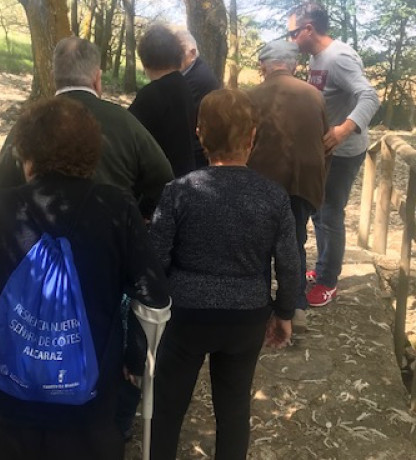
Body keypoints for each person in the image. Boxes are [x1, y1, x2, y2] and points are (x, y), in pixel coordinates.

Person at [0, 97, 171, 460]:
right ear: (91, 153)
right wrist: (134, 355)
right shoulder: (117, 209)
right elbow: (154, 294)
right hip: (85, 416)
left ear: (25, 154)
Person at [149, 89, 300, 460]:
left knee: (167, 408)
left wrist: (158, 303)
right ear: (252, 137)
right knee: (234, 408)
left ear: (200, 135)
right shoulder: (273, 197)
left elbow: (155, 258)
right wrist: (283, 313)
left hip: (186, 316)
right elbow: (290, 264)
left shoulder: (179, 191)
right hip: (246, 316)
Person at [0, 36, 174, 218]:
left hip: (45, 236)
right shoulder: (125, 121)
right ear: (97, 78)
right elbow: (163, 177)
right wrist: (137, 213)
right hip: (111, 233)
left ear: (53, 77)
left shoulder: (31, 121)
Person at [289, 2, 380, 307]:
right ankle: (326, 265)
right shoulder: (317, 57)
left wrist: (343, 130)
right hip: (325, 150)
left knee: (329, 215)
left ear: (308, 29)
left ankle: (328, 281)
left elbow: (369, 95)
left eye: (293, 33)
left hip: (343, 152)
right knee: (319, 211)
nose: (291, 40)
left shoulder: (339, 58)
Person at [247, 40, 328, 332]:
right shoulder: (315, 95)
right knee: (294, 242)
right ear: (294, 66)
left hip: (264, 182)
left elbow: (245, 143)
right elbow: (325, 141)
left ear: (263, 66)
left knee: (259, 244)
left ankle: (259, 308)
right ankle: (296, 307)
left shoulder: (251, 96)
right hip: (305, 180)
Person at [129, 24, 197, 178]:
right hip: (184, 176)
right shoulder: (183, 85)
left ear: (145, 60)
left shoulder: (151, 95)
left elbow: (128, 138)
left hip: (160, 182)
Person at [175, 29, 221, 168]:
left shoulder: (198, 79)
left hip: (195, 152)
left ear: (192, 53)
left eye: (177, 54)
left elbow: (181, 118)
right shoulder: (189, 73)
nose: (172, 58)